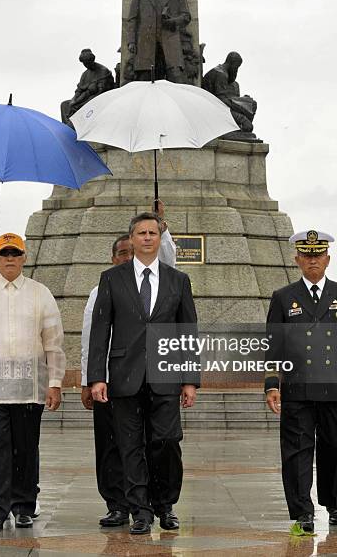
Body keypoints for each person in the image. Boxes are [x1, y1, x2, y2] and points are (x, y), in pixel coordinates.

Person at [88, 212, 198, 535]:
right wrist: (97, 376)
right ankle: (141, 511)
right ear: (132, 239)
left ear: (158, 238)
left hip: (166, 375)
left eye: (152, 232)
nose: (147, 238)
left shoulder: (178, 281)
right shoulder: (111, 279)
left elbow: (188, 331)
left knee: (166, 441)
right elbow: (100, 331)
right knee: (130, 445)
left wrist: (190, 379)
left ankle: (166, 504)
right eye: (141, 233)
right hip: (124, 376)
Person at [265, 230, 337, 534]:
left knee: (335, 447)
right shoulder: (283, 297)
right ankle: (302, 512)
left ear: (327, 259)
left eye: (317, 255)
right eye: (306, 255)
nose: (312, 260)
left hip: (334, 387)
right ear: (297, 259)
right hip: (297, 388)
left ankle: (334, 504)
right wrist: (272, 384)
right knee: (297, 450)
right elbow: (274, 345)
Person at [0, 233, 66, 532]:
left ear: (24, 257)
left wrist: (55, 381)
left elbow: (53, 342)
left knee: (25, 447)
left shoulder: (39, 293)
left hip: (30, 387)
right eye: (3, 253)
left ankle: (23, 506)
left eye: (15, 253)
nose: (9, 258)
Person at [127, 0, 191, 82]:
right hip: (146, 42)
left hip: (170, 40)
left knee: (176, 79)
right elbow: (132, 18)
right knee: (144, 81)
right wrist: (131, 41)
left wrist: (172, 21)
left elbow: (186, 16)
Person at [202, 52, 258, 138]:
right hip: (216, 109)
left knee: (251, 105)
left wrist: (243, 101)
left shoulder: (229, 79)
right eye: (237, 67)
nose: (236, 69)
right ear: (232, 63)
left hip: (223, 108)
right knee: (248, 126)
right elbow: (221, 100)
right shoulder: (220, 74)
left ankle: (235, 130)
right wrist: (241, 104)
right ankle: (231, 131)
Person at [60, 48, 115, 128]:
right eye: (84, 64)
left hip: (98, 99)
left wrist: (80, 102)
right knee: (65, 104)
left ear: (92, 60)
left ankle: (73, 126)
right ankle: (67, 127)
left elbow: (101, 93)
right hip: (84, 99)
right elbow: (79, 90)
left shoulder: (103, 71)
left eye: (88, 63)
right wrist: (74, 100)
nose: (86, 66)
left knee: (82, 106)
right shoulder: (85, 74)